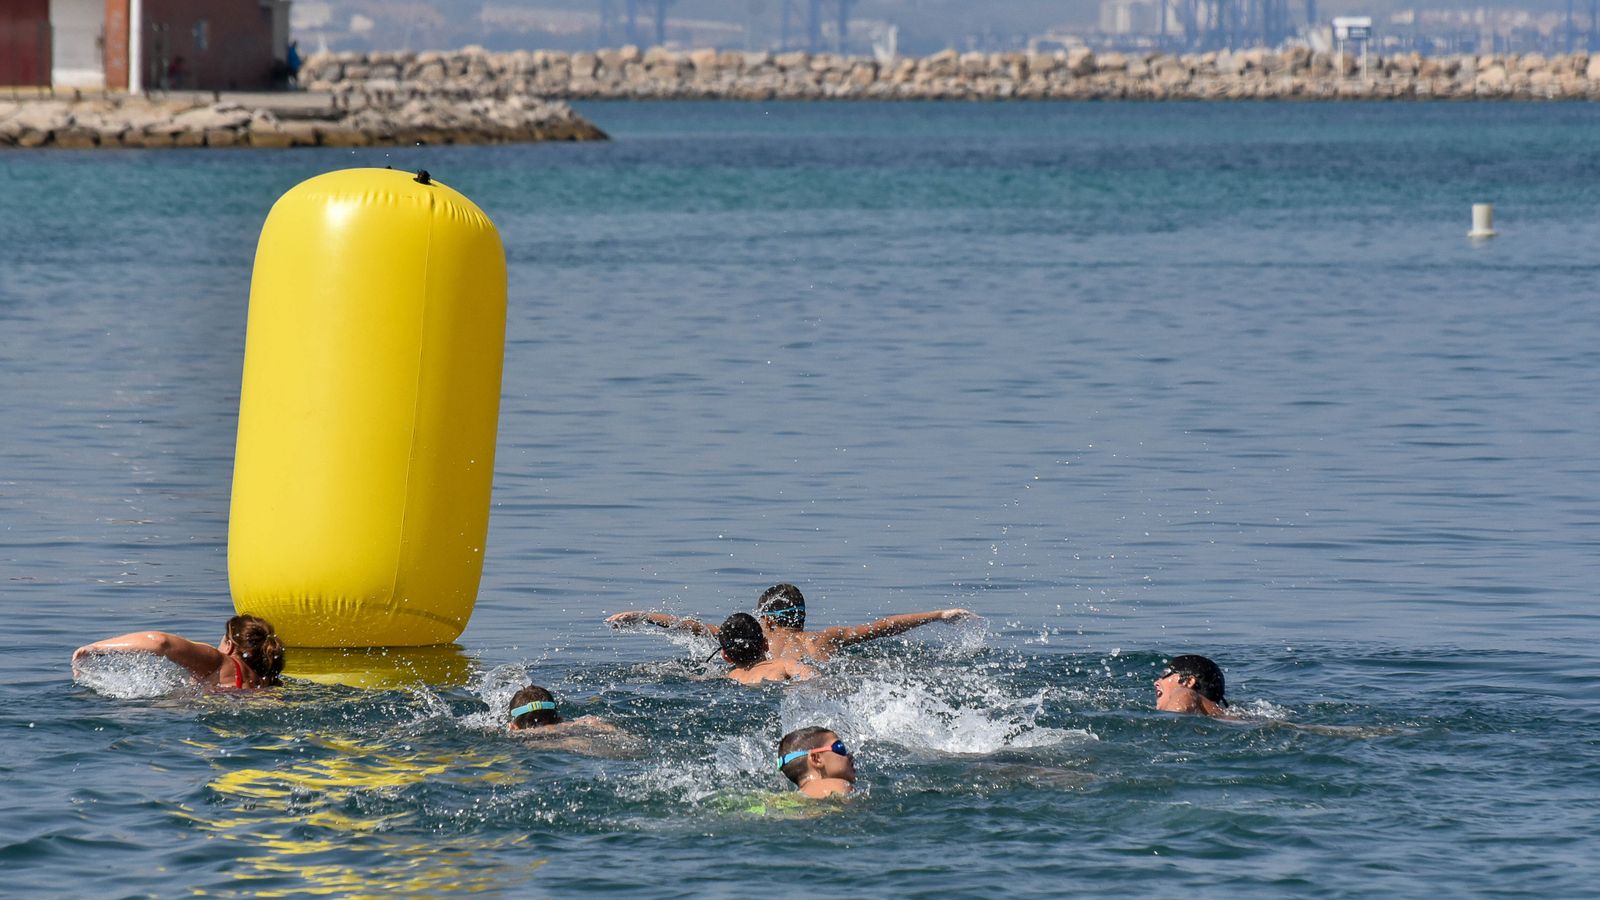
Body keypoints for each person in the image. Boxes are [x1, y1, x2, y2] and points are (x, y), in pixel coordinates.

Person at [606, 582, 975, 662]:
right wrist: (939, 615)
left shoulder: (748, 637)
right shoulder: (826, 640)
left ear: (764, 618)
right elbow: (885, 625)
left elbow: (690, 626)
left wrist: (641, 617)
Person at [71, 614, 285, 689]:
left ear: (229, 645)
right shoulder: (267, 681)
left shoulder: (218, 661)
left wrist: (96, 648)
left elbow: (160, 642)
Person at [715, 613, 816, 685]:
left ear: (725, 656)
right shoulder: (783, 664)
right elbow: (811, 676)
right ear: (766, 644)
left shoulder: (730, 677)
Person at [777, 726, 856, 798]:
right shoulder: (839, 786)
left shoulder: (793, 796)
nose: (850, 756)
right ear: (816, 759)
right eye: (840, 748)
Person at [1153, 654, 1229, 717]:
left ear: (1188, 682)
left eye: (1165, 673)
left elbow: (1172, 725)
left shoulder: (1185, 692)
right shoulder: (1223, 714)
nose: (1156, 682)